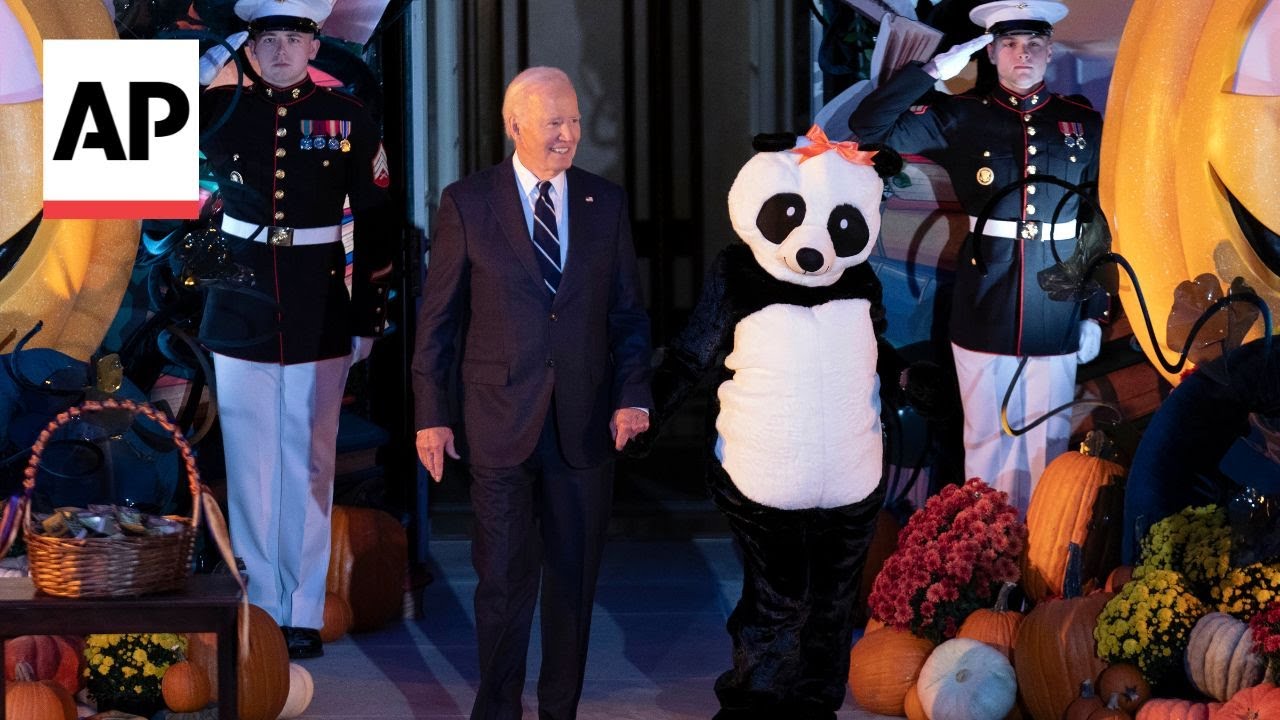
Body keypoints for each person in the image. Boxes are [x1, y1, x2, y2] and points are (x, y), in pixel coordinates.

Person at [411, 66, 652, 720]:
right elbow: (438, 320)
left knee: (572, 586)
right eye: (554, 122)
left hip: (583, 426)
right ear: (514, 124)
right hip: (497, 421)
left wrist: (634, 395)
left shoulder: (607, 204)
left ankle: (559, 713)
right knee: (503, 584)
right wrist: (430, 417)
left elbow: (628, 315)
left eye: (574, 121)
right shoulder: (469, 202)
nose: (568, 134)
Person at [849, 0, 1105, 512]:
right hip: (986, 295)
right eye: (1008, 44)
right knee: (986, 440)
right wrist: (930, 72)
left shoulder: (1080, 121)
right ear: (989, 53)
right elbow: (869, 127)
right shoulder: (963, 117)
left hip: (1055, 301)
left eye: (1034, 44)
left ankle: (1040, 575)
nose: (1022, 55)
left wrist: (1096, 308)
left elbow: (1095, 219)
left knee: (1050, 441)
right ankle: (988, 564)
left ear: (1050, 51)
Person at [198, 0, 394, 659]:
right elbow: (169, 160)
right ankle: (258, 605)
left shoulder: (348, 117)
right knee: (250, 456)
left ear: (316, 47)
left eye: (294, 37)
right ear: (249, 47)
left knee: (309, 455)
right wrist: (212, 62)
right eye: (267, 38)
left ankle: (303, 606)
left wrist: (370, 312)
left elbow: (376, 220)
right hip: (241, 293)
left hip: (319, 294)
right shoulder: (218, 109)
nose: (281, 50)